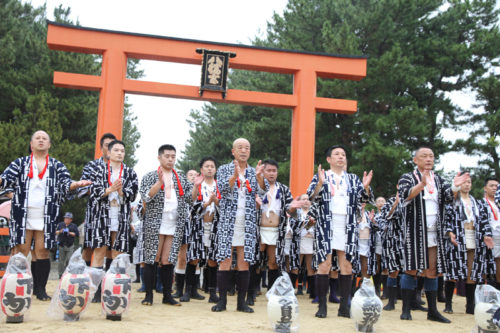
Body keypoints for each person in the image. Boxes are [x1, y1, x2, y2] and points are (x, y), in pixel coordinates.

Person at [0, 130, 91, 300]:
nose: (41, 141)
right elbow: (5, 180)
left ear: (49, 144)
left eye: (44, 139)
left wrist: (76, 184)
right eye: (37, 138)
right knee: (20, 251)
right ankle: (15, 287)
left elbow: (66, 184)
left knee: (42, 252)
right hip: (23, 214)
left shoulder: (57, 165)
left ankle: (40, 290)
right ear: (31, 144)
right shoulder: (20, 163)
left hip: (46, 215)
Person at [397, 146, 468, 323]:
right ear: (415, 160)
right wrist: (421, 184)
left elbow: (447, 197)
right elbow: (405, 195)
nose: (428, 159)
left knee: (432, 271)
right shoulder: (407, 177)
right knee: (411, 269)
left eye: (431, 156)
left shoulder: (438, 179)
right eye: (424, 156)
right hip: (414, 230)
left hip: (434, 231)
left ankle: (433, 311)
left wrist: (454, 186)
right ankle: (406, 309)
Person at [307, 145, 373, 318]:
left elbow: (364, 199)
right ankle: (322, 305)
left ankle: (344, 306)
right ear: (329, 159)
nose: (340, 157)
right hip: (326, 224)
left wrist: (365, 187)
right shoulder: (321, 176)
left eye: (343, 154)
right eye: (336, 154)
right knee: (324, 265)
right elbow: (312, 197)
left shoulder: (352, 178)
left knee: (347, 266)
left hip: (348, 225)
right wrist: (320, 184)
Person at [211, 138, 266, 313]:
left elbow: (263, 192)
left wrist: (258, 177)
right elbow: (221, 190)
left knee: (244, 262)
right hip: (228, 219)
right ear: (233, 151)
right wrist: (234, 177)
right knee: (225, 260)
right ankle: (222, 301)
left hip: (248, 220)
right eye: (240, 147)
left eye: (247, 148)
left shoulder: (253, 171)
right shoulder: (224, 169)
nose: (244, 150)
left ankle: (241, 302)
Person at [139, 144, 193, 306]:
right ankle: (148, 295)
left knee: (168, 259)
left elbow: (191, 199)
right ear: (159, 157)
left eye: (173, 156)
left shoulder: (181, 177)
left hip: (174, 222)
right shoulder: (150, 176)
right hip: (155, 221)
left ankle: (167, 296)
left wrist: (196, 185)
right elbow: (145, 197)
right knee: (152, 258)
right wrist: (159, 183)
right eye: (167, 156)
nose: (170, 159)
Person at [89, 140, 138, 293]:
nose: (119, 153)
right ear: (108, 153)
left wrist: (123, 192)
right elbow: (92, 191)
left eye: (122, 151)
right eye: (116, 150)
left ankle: (114, 286)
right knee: (100, 250)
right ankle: (96, 289)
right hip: (102, 214)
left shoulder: (130, 173)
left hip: (121, 215)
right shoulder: (99, 170)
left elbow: (134, 193)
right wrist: (109, 189)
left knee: (118, 251)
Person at [444, 174, 493, 314]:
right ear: (459, 184)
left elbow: (484, 221)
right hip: (458, 237)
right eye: (464, 182)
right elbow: (447, 220)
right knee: (453, 270)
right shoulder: (452, 202)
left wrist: (487, 234)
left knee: (473, 271)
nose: (467, 184)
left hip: (475, 237)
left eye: (469, 182)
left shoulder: (478, 203)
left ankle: (470, 305)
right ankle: (448, 304)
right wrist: (449, 233)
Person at [258, 159, 298, 289]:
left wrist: (293, 207)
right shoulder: (256, 187)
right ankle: (252, 292)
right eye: (268, 170)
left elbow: (289, 209)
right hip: (259, 228)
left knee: (273, 261)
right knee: (256, 259)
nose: (271, 173)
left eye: (274, 171)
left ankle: (271, 290)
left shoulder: (284, 189)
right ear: (263, 172)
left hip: (276, 229)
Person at [78, 133, 116, 267]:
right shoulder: (91, 166)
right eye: (107, 145)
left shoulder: (123, 169)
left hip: (115, 213)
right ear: (101, 148)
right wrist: (102, 191)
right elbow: (82, 189)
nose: (110, 148)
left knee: (112, 247)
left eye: (113, 146)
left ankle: (108, 280)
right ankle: (85, 278)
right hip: (95, 213)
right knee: (89, 246)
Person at [186, 156, 220, 303]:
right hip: (198, 226)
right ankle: (188, 290)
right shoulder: (197, 185)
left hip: (214, 227)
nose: (209, 168)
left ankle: (212, 292)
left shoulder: (219, 186)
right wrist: (206, 203)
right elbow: (191, 204)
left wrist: (215, 202)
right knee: (194, 258)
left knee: (213, 260)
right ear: (201, 169)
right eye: (206, 166)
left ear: (215, 169)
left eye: (212, 166)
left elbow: (224, 207)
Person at [377, 189, 403, 311]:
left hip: (407, 239)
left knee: (412, 270)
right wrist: (396, 203)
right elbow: (385, 218)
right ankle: (391, 301)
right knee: (393, 270)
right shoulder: (390, 202)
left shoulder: (412, 200)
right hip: (392, 240)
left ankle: (413, 300)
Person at [480, 177, 500, 288]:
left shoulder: (499, 202)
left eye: (496, 186)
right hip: (489, 238)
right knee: (487, 268)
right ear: (485, 188)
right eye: (491, 186)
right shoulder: (481, 203)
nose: (494, 188)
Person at [56, 212, 79, 277]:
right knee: (61, 260)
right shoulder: (60, 224)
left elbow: (76, 234)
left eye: (68, 218)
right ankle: (60, 274)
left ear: (71, 219)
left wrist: (69, 232)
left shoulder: (74, 226)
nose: (67, 219)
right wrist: (60, 231)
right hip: (61, 244)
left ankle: (67, 273)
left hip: (70, 245)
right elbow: (56, 232)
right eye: (66, 218)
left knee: (69, 259)